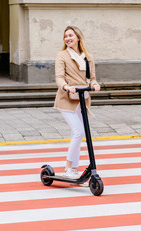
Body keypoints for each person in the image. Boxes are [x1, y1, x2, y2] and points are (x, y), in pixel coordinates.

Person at [54, 26, 101, 179]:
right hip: (67, 99)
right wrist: (66, 86)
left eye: (70, 35)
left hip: (83, 99)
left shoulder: (88, 56)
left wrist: (95, 84)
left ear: (78, 37)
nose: (67, 38)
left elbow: (92, 77)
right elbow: (59, 77)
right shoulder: (62, 55)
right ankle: (68, 167)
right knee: (78, 132)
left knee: (81, 133)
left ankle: (74, 168)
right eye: (65, 36)